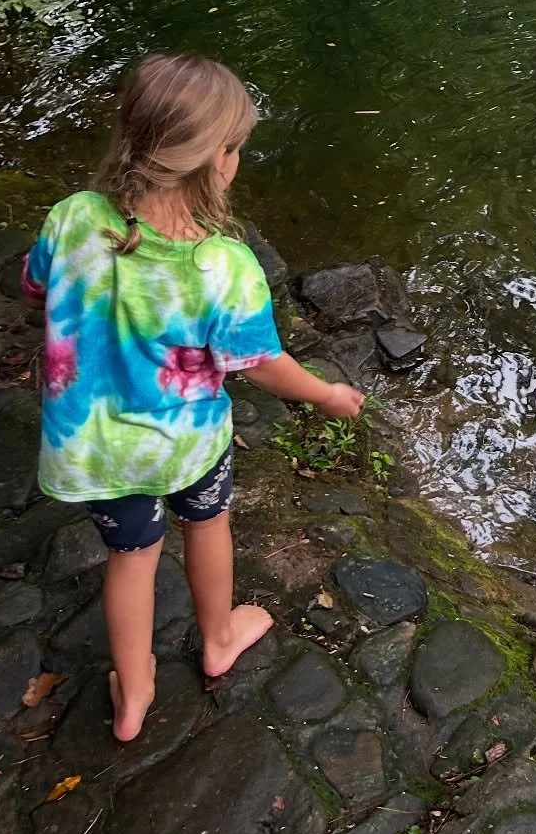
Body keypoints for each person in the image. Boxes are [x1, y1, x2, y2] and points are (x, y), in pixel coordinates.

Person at [22, 52, 364, 740]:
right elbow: (262, 365)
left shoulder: (71, 219)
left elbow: (38, 287)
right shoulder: (221, 266)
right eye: (235, 148)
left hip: (95, 451)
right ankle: (217, 638)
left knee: (131, 560)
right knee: (207, 526)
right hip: (190, 446)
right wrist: (326, 395)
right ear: (218, 161)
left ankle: (136, 693)